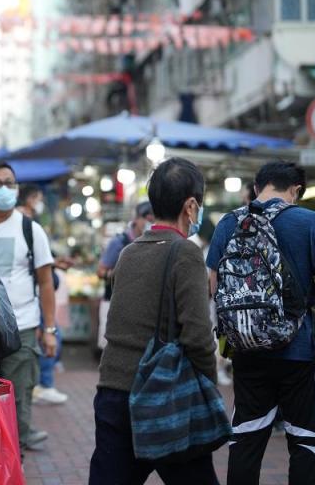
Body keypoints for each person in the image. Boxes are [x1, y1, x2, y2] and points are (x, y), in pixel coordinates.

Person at [207, 161, 315, 485]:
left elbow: (213, 287)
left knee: (246, 440)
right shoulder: (310, 222)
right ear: (295, 190)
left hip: (248, 347)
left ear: (257, 188)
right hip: (302, 351)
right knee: (306, 441)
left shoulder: (230, 222)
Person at [89, 157, 219, 484]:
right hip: (161, 396)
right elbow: (198, 337)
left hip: (112, 390)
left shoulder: (129, 252)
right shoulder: (185, 252)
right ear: (190, 206)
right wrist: (209, 386)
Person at [0, 162, 57, 451]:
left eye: (10, 183)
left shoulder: (30, 229)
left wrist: (48, 329)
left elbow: (46, 282)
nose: (5, 189)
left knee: (19, 397)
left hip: (22, 327)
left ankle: (15, 459)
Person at [18, 184, 71, 407]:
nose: (39, 202)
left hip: (38, 290)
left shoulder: (31, 223)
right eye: (38, 198)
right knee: (49, 336)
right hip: (32, 293)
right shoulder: (22, 220)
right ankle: (42, 385)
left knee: (49, 335)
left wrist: (55, 264)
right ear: (30, 199)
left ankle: (41, 384)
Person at [97, 201, 155, 351]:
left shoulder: (152, 243)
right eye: (147, 219)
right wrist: (120, 273)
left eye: (153, 220)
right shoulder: (119, 242)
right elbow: (101, 271)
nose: (149, 223)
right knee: (112, 348)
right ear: (136, 219)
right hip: (113, 302)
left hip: (139, 306)